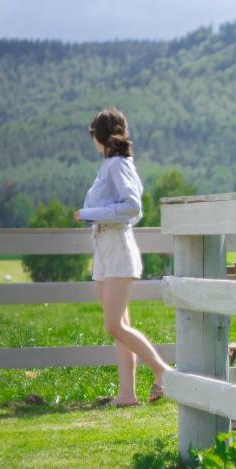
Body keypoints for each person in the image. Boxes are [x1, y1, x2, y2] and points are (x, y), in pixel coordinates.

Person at [73, 108, 170, 406]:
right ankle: (127, 394)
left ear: (98, 135)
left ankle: (163, 371)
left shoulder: (117, 164)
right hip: (104, 246)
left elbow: (132, 208)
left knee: (114, 325)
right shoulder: (110, 165)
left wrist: (88, 213)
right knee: (119, 324)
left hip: (116, 246)